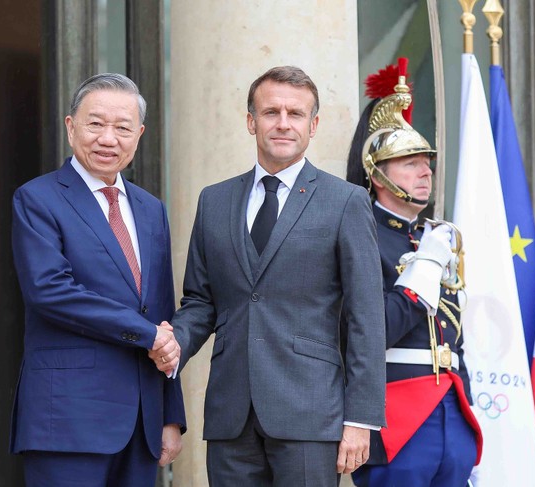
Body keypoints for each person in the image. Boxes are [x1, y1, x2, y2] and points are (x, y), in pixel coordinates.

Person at [164, 66, 387, 487]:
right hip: (231, 414)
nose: (283, 123)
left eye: (295, 113)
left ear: (313, 125)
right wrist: (174, 343)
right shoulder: (214, 201)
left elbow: (366, 316)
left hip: (311, 414)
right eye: (270, 112)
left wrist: (361, 418)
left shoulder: (346, 202)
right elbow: (200, 300)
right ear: (251, 121)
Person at [9, 73, 185, 487]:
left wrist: (170, 415)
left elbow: (161, 313)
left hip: (142, 423)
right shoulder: (38, 199)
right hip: (68, 420)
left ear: (139, 135)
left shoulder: (150, 209)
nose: (109, 138)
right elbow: (50, 291)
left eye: (123, 127)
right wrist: (147, 334)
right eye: (95, 124)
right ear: (71, 127)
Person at [346, 59, 482, 486]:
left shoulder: (437, 238)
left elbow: (454, 335)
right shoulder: (358, 235)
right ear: (378, 175)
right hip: (396, 415)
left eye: (427, 163)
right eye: (410, 163)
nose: (426, 172)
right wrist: (423, 266)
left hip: (452, 408)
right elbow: (374, 330)